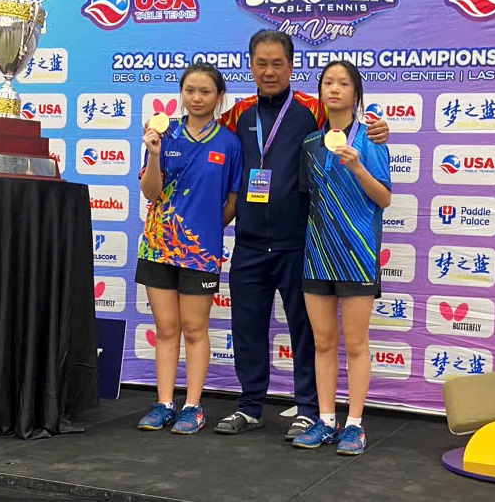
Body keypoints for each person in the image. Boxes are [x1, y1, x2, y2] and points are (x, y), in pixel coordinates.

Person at [214, 31, 390, 439]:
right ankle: (250, 405)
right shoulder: (238, 112)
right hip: (250, 241)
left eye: (278, 64)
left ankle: (311, 409)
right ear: (252, 66)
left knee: (310, 332)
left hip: (301, 243)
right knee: (247, 327)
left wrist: (382, 132)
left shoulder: (312, 109)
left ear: (292, 67)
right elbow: (206, 132)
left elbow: (352, 129)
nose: (270, 71)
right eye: (262, 63)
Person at [136, 63, 243, 435]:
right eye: (190, 90)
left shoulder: (229, 143)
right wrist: (152, 154)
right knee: (166, 328)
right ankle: (165, 402)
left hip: (201, 252)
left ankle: (193, 406)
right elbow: (150, 193)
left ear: (219, 97)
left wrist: (208, 229)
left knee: (195, 329)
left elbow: (232, 201)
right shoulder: (165, 135)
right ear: (181, 93)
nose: (196, 98)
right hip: (157, 247)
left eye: (205, 92)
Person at [291, 61, 391, 456]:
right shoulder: (310, 144)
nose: (334, 89)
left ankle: (355, 425)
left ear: (356, 93)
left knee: (356, 343)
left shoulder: (373, 138)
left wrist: (357, 165)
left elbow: (383, 197)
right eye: (328, 83)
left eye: (343, 83)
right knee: (323, 342)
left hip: (358, 254)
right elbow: (307, 201)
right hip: (317, 254)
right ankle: (326, 420)